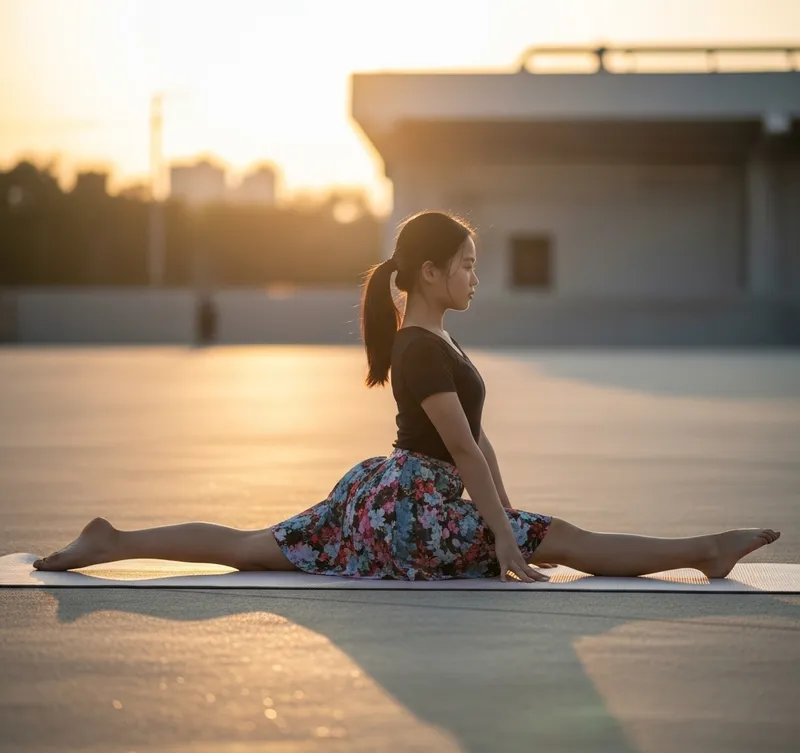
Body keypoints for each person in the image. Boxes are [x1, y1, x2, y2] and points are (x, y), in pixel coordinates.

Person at [33, 211, 780, 582]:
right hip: (410, 507)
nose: (475, 276)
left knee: (248, 548)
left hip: (393, 495)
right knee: (572, 541)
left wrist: (507, 519)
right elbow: (457, 448)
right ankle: (704, 552)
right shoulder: (420, 349)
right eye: (466, 264)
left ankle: (116, 541)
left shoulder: (435, 343)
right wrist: (506, 534)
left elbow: (478, 444)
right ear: (428, 274)